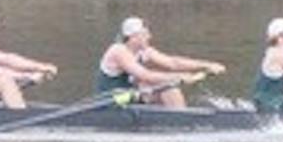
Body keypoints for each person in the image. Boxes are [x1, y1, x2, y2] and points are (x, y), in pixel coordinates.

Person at [94, 17, 226, 108]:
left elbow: (173, 63)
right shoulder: (119, 51)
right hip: (111, 102)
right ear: (133, 37)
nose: (150, 37)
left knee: (167, 88)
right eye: (145, 34)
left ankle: (178, 117)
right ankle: (181, 122)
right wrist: (180, 77)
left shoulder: (144, 51)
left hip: (129, 97)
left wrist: (207, 65)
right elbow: (145, 75)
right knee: (163, 84)